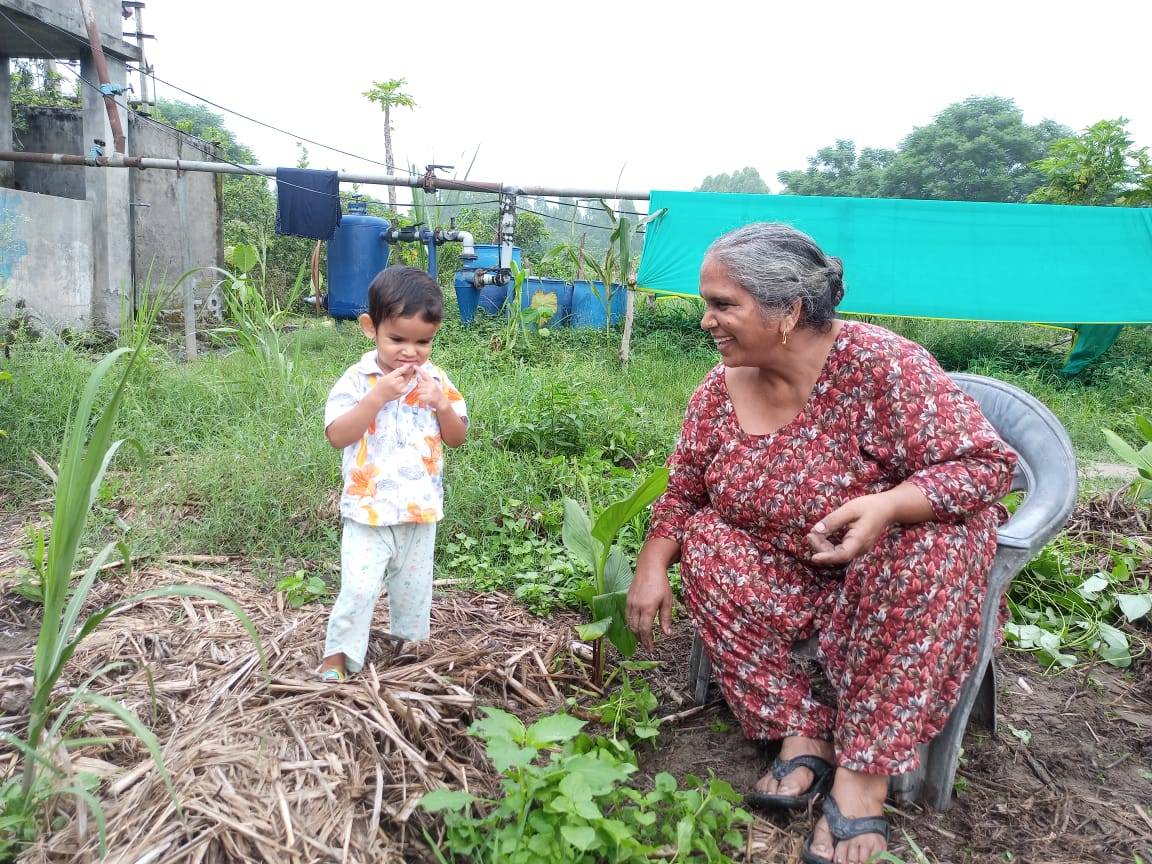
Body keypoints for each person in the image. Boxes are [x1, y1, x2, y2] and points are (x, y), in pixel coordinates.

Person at [625, 223, 1016, 864]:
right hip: (785, 575)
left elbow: (983, 465)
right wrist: (650, 564)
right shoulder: (716, 392)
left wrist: (889, 506)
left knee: (932, 543)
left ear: (790, 311)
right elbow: (685, 492)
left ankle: (865, 780)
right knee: (702, 537)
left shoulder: (881, 365)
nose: (706, 321)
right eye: (708, 303)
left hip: (890, 581)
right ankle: (803, 729)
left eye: (724, 304)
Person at [319, 266, 468, 683]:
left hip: (419, 510)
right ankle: (338, 656)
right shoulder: (357, 379)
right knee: (360, 587)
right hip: (368, 511)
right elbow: (337, 434)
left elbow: (457, 436)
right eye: (398, 339)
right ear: (370, 328)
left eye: (423, 342)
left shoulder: (436, 379)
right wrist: (378, 396)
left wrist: (440, 404)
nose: (410, 352)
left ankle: (407, 648)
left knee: (414, 590)